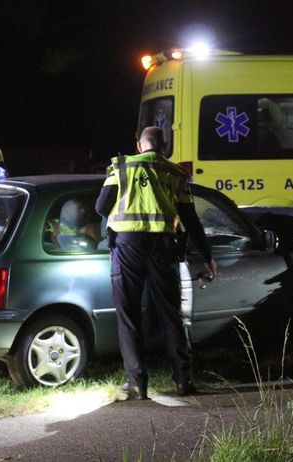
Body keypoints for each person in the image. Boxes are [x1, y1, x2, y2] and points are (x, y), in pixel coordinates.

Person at [95, 126, 217, 400]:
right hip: (163, 247)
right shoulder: (176, 174)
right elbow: (191, 220)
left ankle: (137, 384)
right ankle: (183, 380)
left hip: (128, 246)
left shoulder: (122, 167)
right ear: (164, 146)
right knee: (170, 313)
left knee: (129, 314)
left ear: (139, 145)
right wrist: (207, 256)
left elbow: (101, 206)